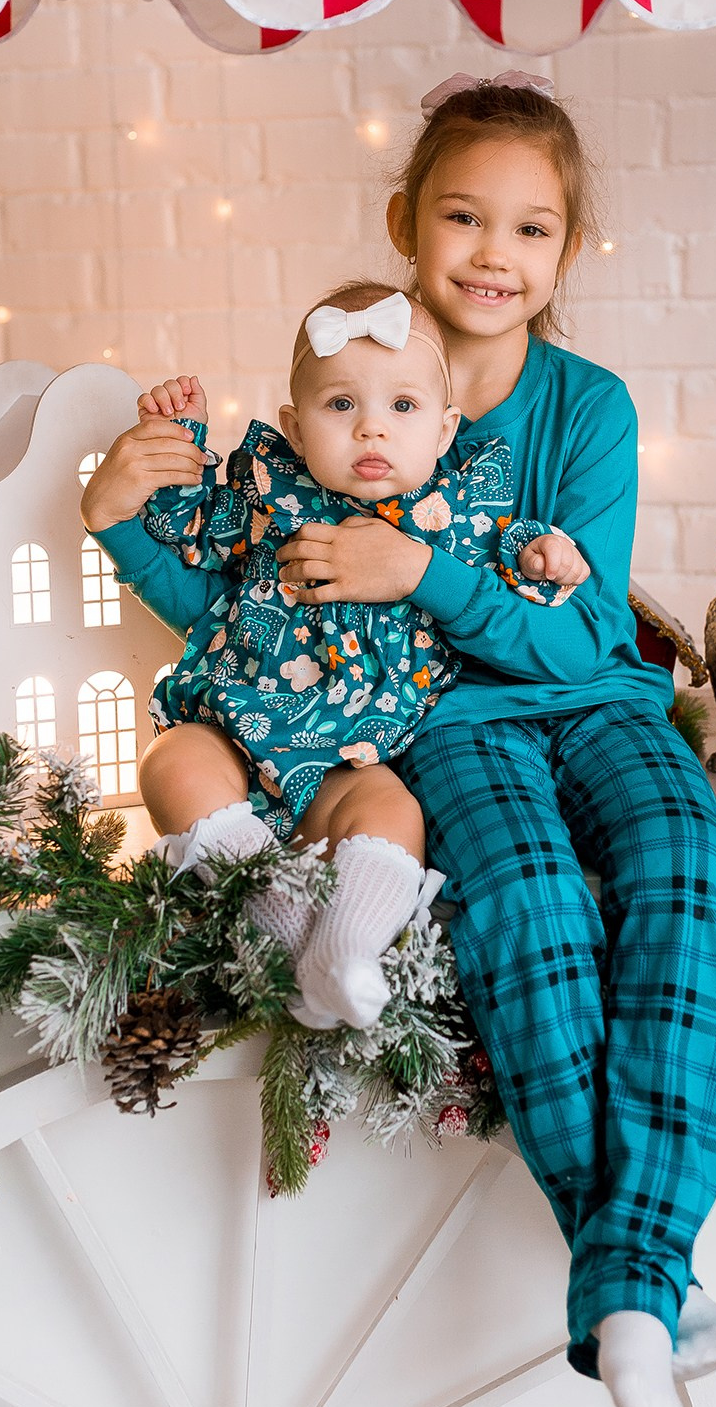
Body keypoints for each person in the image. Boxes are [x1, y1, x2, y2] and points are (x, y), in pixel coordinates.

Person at [272, 73, 716, 1407]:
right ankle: (650, 1291)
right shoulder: (355, 394)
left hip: (602, 702)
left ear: (566, 249)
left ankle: (626, 1279)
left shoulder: (588, 408)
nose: (494, 254)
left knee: (678, 865)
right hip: (450, 724)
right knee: (532, 902)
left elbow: (584, 635)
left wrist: (420, 571)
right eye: (463, 217)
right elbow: (273, 577)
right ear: (404, 224)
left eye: (531, 229)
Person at [81, 280, 585, 1031]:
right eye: (341, 404)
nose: (371, 429)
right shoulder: (267, 491)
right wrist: (179, 440)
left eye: (403, 407)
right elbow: (186, 538)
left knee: (394, 813)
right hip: (230, 723)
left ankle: (347, 949)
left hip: (351, 758)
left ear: (445, 431)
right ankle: (278, 918)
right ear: (294, 425)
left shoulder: (456, 513)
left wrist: (544, 557)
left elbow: (509, 577)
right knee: (171, 761)